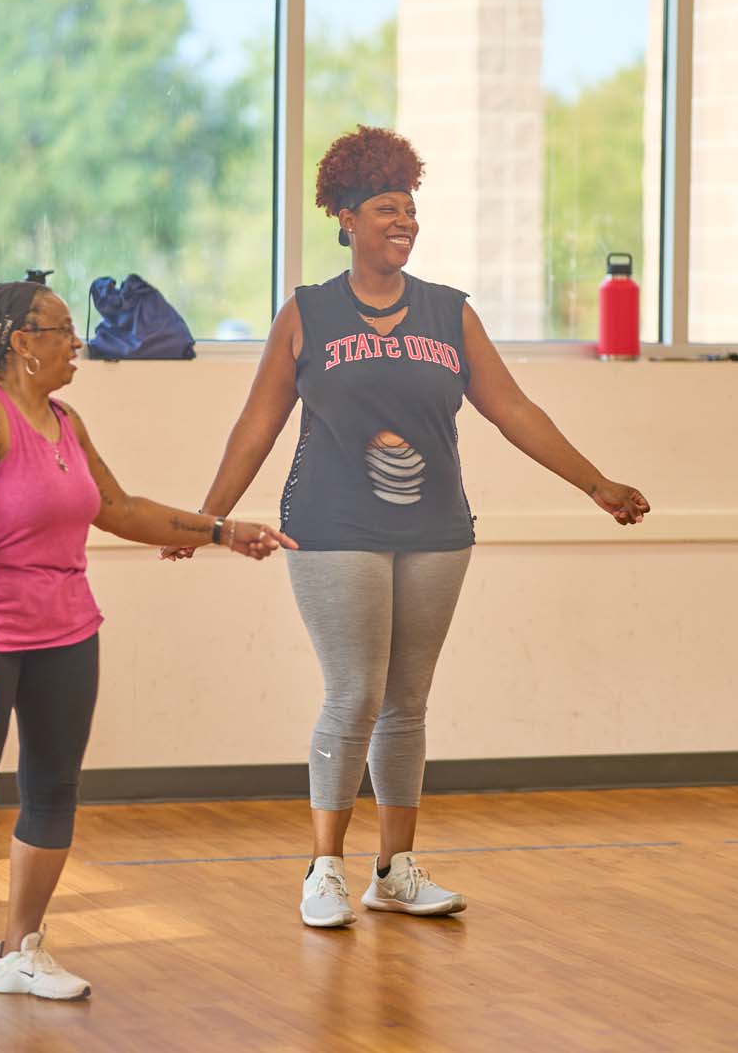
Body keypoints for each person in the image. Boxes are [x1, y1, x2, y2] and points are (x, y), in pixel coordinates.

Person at [166, 124, 650, 928]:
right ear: (346, 220)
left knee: (407, 700)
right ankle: (324, 866)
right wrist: (207, 519)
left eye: (411, 210)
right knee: (354, 692)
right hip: (330, 523)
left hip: (435, 528)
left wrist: (594, 482)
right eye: (387, 208)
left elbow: (513, 410)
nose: (405, 222)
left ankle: (393, 869)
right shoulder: (308, 313)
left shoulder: (449, 313)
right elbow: (256, 425)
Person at [0, 278, 294, 1019]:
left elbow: (117, 509)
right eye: (61, 330)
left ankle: (18, 951)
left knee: (52, 789)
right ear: (21, 342)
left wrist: (218, 529)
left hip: (66, 627)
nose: (77, 342)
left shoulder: (66, 421)